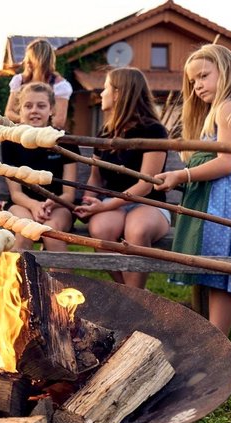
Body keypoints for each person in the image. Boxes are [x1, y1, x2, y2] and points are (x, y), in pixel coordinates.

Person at [155, 44, 231, 335]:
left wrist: (181, 175)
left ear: (224, 72)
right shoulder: (218, 109)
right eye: (193, 81)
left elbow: (226, 163)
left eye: (203, 76)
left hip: (223, 197)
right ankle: (211, 336)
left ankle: (217, 342)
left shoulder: (229, 107)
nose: (197, 85)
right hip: (215, 195)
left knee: (222, 269)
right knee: (214, 269)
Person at [73, 67, 171, 289]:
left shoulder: (153, 131)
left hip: (149, 203)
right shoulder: (106, 132)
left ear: (118, 93)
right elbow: (95, 178)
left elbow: (146, 185)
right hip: (114, 203)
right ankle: (128, 292)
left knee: (137, 230)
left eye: (106, 88)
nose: (102, 94)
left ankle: (136, 298)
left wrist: (104, 206)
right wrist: (88, 202)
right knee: (100, 230)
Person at [1, 82, 78, 252]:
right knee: (25, 230)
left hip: (57, 204)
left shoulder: (64, 140)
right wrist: (34, 205)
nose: (34, 110)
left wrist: (52, 202)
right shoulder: (10, 142)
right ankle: (21, 279)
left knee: (52, 232)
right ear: (20, 110)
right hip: (22, 203)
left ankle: (60, 279)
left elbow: (69, 194)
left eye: (41, 106)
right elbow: (16, 193)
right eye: (28, 106)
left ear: (51, 109)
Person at [5, 38, 73, 129]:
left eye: (30, 59)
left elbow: (59, 121)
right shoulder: (19, 81)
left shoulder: (60, 86)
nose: (27, 63)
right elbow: (9, 112)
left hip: (47, 135)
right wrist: (25, 120)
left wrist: (38, 124)